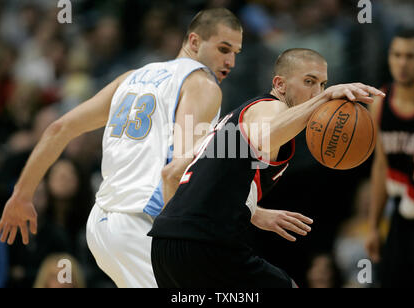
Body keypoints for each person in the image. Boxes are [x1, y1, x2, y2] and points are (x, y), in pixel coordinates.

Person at [0, 8, 311, 288]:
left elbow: (58, 128)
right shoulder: (202, 84)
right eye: (223, 48)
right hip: (143, 223)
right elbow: (183, 169)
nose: (230, 61)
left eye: (237, 52)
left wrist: (22, 195)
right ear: (194, 41)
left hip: (101, 226)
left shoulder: (131, 78)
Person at [148, 48, 385, 288]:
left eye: (323, 85)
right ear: (280, 84)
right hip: (209, 243)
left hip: (165, 248)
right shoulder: (271, 108)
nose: (317, 92)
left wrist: (253, 211)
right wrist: (323, 100)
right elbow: (266, 136)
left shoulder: (229, 123)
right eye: (309, 82)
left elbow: (172, 174)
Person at [365, 27, 414, 287]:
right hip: (401, 219)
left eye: (410, 56)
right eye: (396, 55)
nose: (402, 63)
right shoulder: (380, 103)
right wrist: (374, 226)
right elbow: (380, 167)